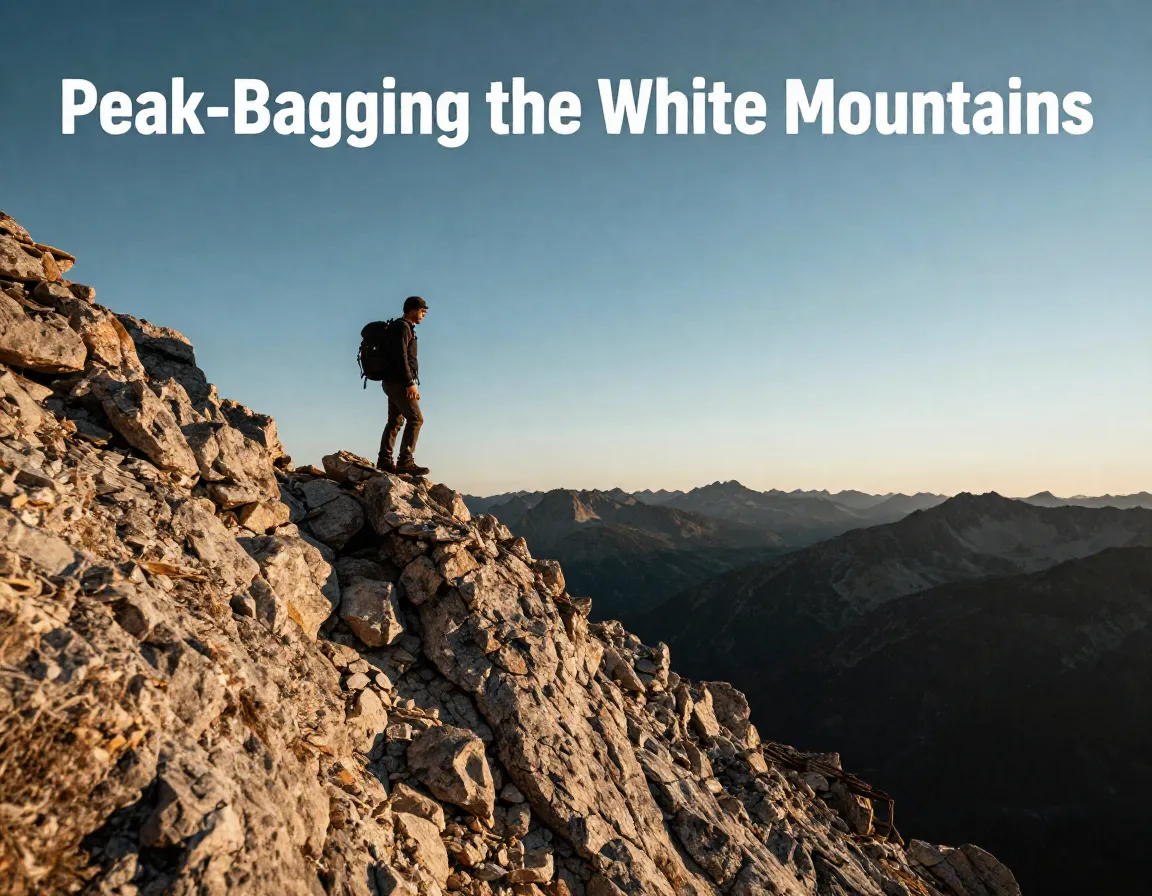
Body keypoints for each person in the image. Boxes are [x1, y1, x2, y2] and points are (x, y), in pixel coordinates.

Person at [377, 296, 429, 475]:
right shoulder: (402, 327)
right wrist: (409, 383)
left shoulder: (400, 327)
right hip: (399, 382)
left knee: (395, 421)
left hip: (392, 381)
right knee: (416, 419)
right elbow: (401, 357)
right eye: (422, 310)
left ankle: (384, 460)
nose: (424, 313)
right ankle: (405, 461)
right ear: (412, 310)